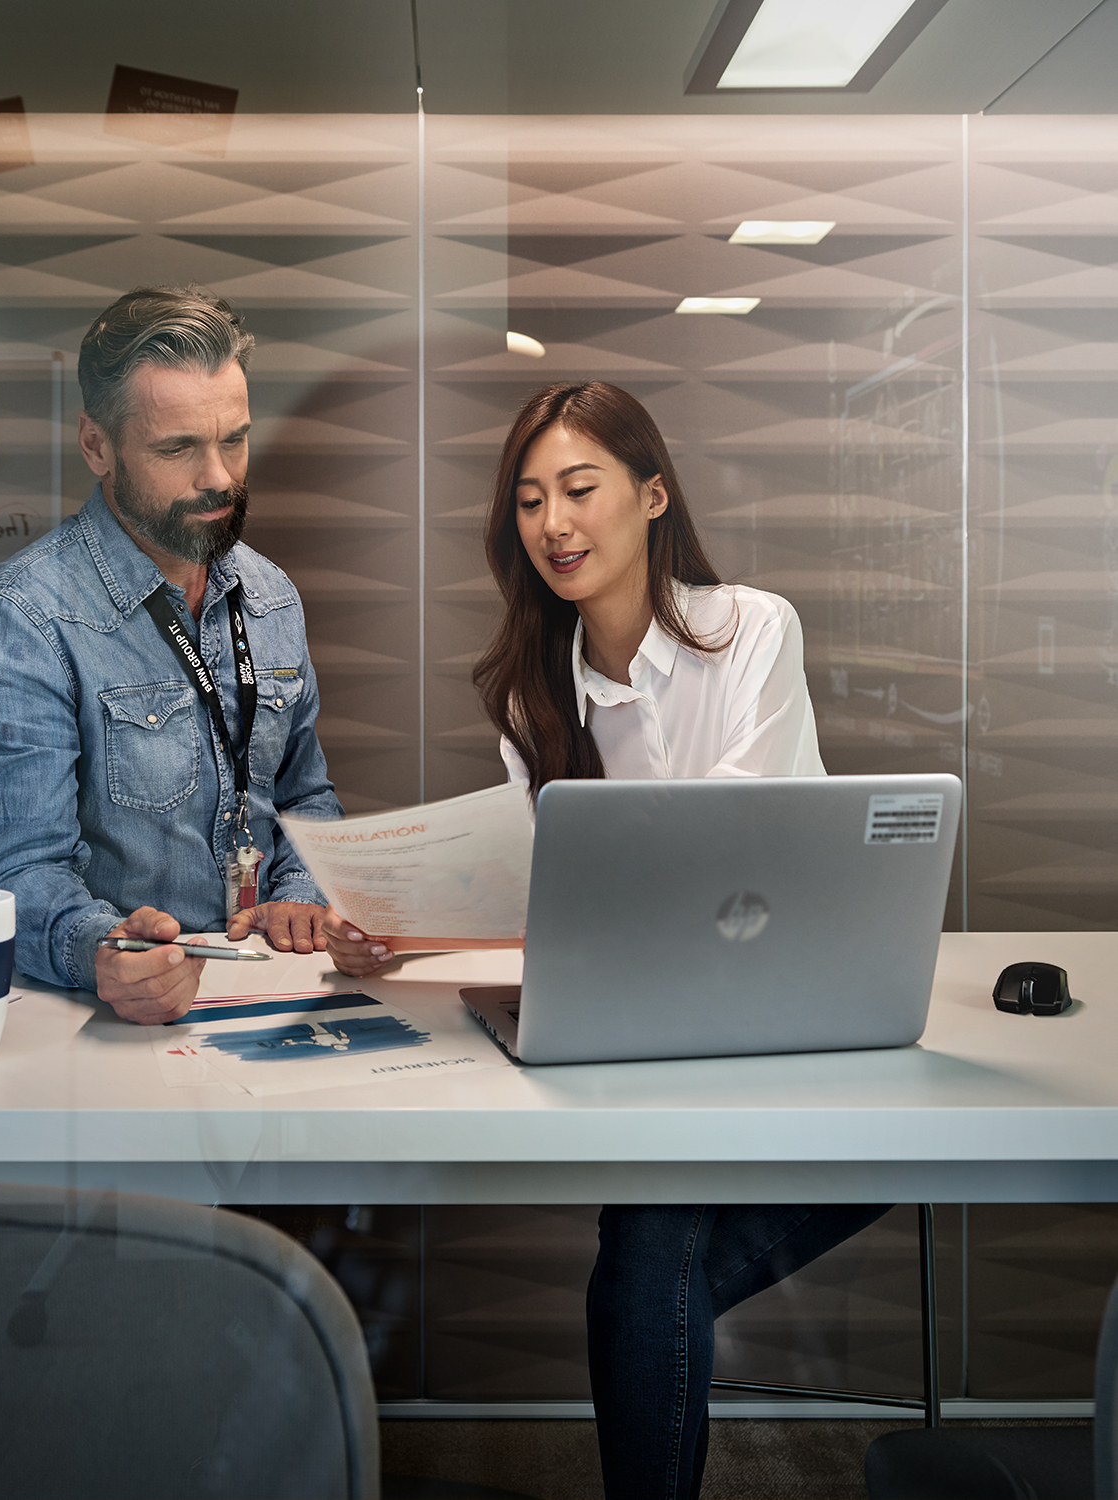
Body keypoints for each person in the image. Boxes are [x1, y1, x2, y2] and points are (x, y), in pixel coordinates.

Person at [327, 381, 888, 1500]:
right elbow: (542, 909)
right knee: (649, 1243)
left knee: (645, 1249)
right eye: (530, 502)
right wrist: (410, 930)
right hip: (646, 1050)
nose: (555, 524)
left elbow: (732, 867)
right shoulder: (533, 699)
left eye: (580, 490)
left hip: (797, 1034)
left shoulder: (750, 629)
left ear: (653, 496)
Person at [0, 285, 342, 1023]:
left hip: (271, 994)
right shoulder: (20, 620)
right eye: (178, 448)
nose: (218, 476)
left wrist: (300, 896)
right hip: (108, 1015)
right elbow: (22, 873)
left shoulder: (272, 595)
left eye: (234, 439)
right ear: (98, 445)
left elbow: (304, 797)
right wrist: (104, 952)